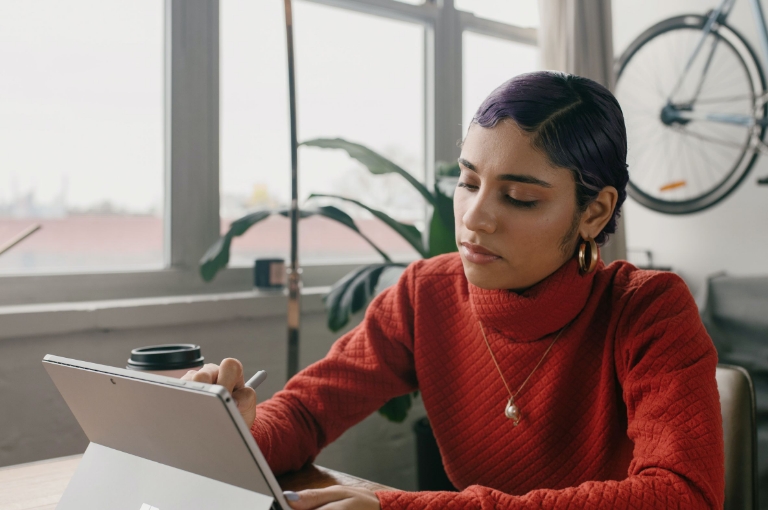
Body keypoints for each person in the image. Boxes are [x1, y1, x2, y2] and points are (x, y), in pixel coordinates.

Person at [183, 71, 724, 509]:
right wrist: (234, 428)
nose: (475, 219)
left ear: (595, 211)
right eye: (467, 183)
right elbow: (306, 412)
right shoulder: (427, 294)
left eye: (518, 197)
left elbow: (682, 495)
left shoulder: (650, 311)